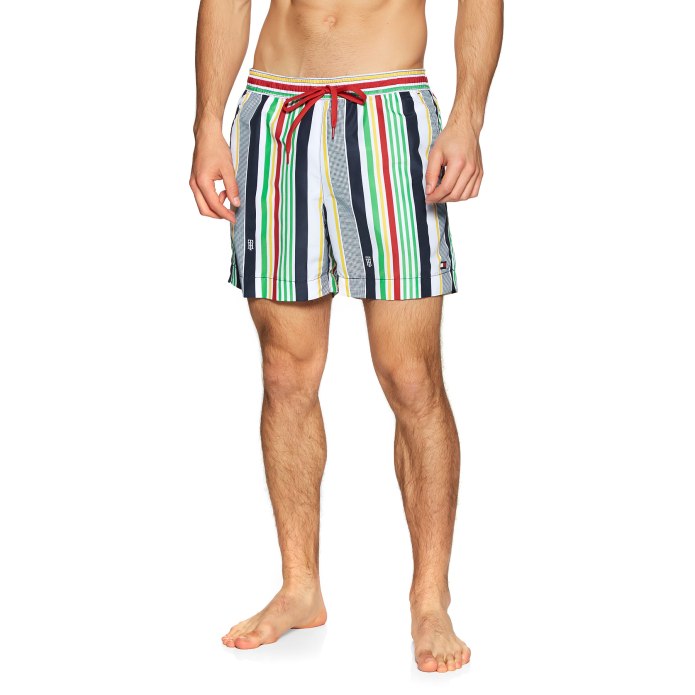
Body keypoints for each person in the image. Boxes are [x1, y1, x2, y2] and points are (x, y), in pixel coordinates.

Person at [190, 0, 502, 673]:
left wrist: (468, 117)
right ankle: (299, 586)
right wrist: (207, 122)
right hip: (275, 111)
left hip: (389, 111)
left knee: (410, 376)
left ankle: (430, 598)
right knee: (285, 372)